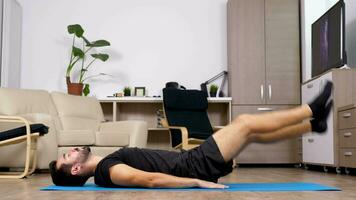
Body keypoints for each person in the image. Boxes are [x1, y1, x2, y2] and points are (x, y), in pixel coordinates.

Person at [49, 81, 333, 189]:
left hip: (191, 159)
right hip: (194, 164)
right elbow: (149, 180)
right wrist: (197, 182)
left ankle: (312, 125)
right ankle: (311, 108)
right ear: (75, 169)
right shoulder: (108, 170)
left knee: (252, 134)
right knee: (246, 123)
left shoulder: (105, 166)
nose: (72, 149)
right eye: (67, 156)